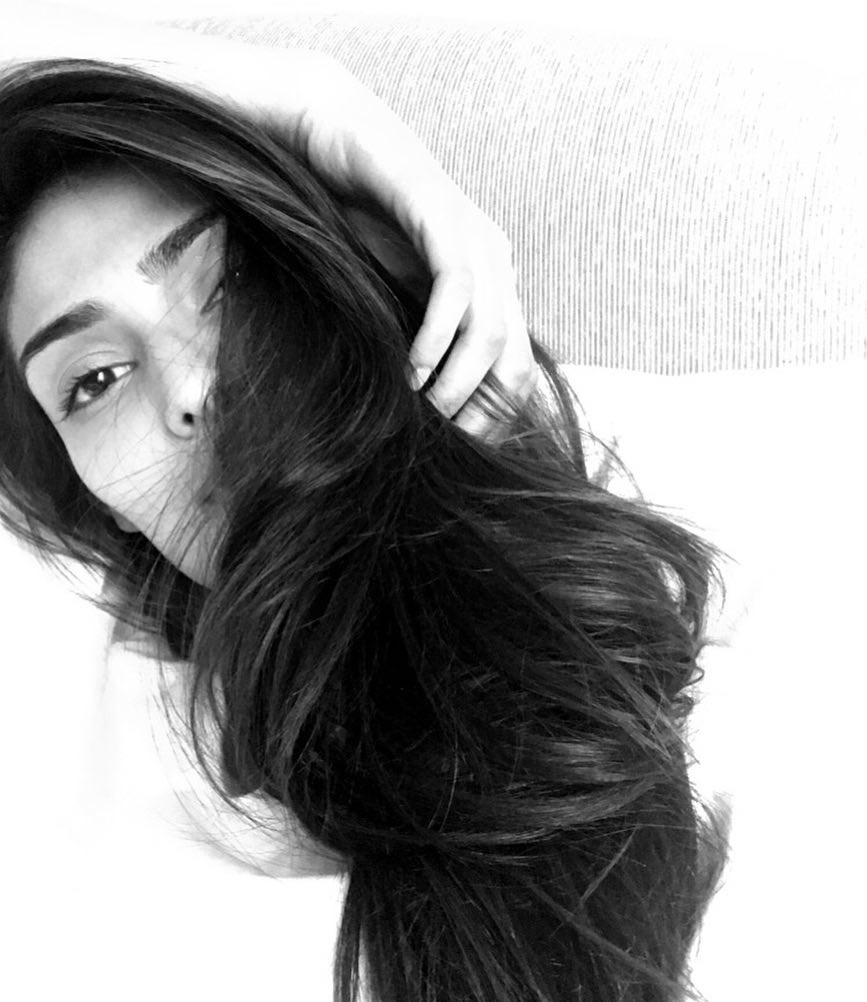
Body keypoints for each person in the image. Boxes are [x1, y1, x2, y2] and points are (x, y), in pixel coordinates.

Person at [0, 35, 732, 1002]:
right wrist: (309, 94)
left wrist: (313, 102)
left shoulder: (758, 580)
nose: (190, 389)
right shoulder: (53, 677)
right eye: (94, 380)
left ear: (345, 268)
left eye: (227, 286)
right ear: (93, 498)